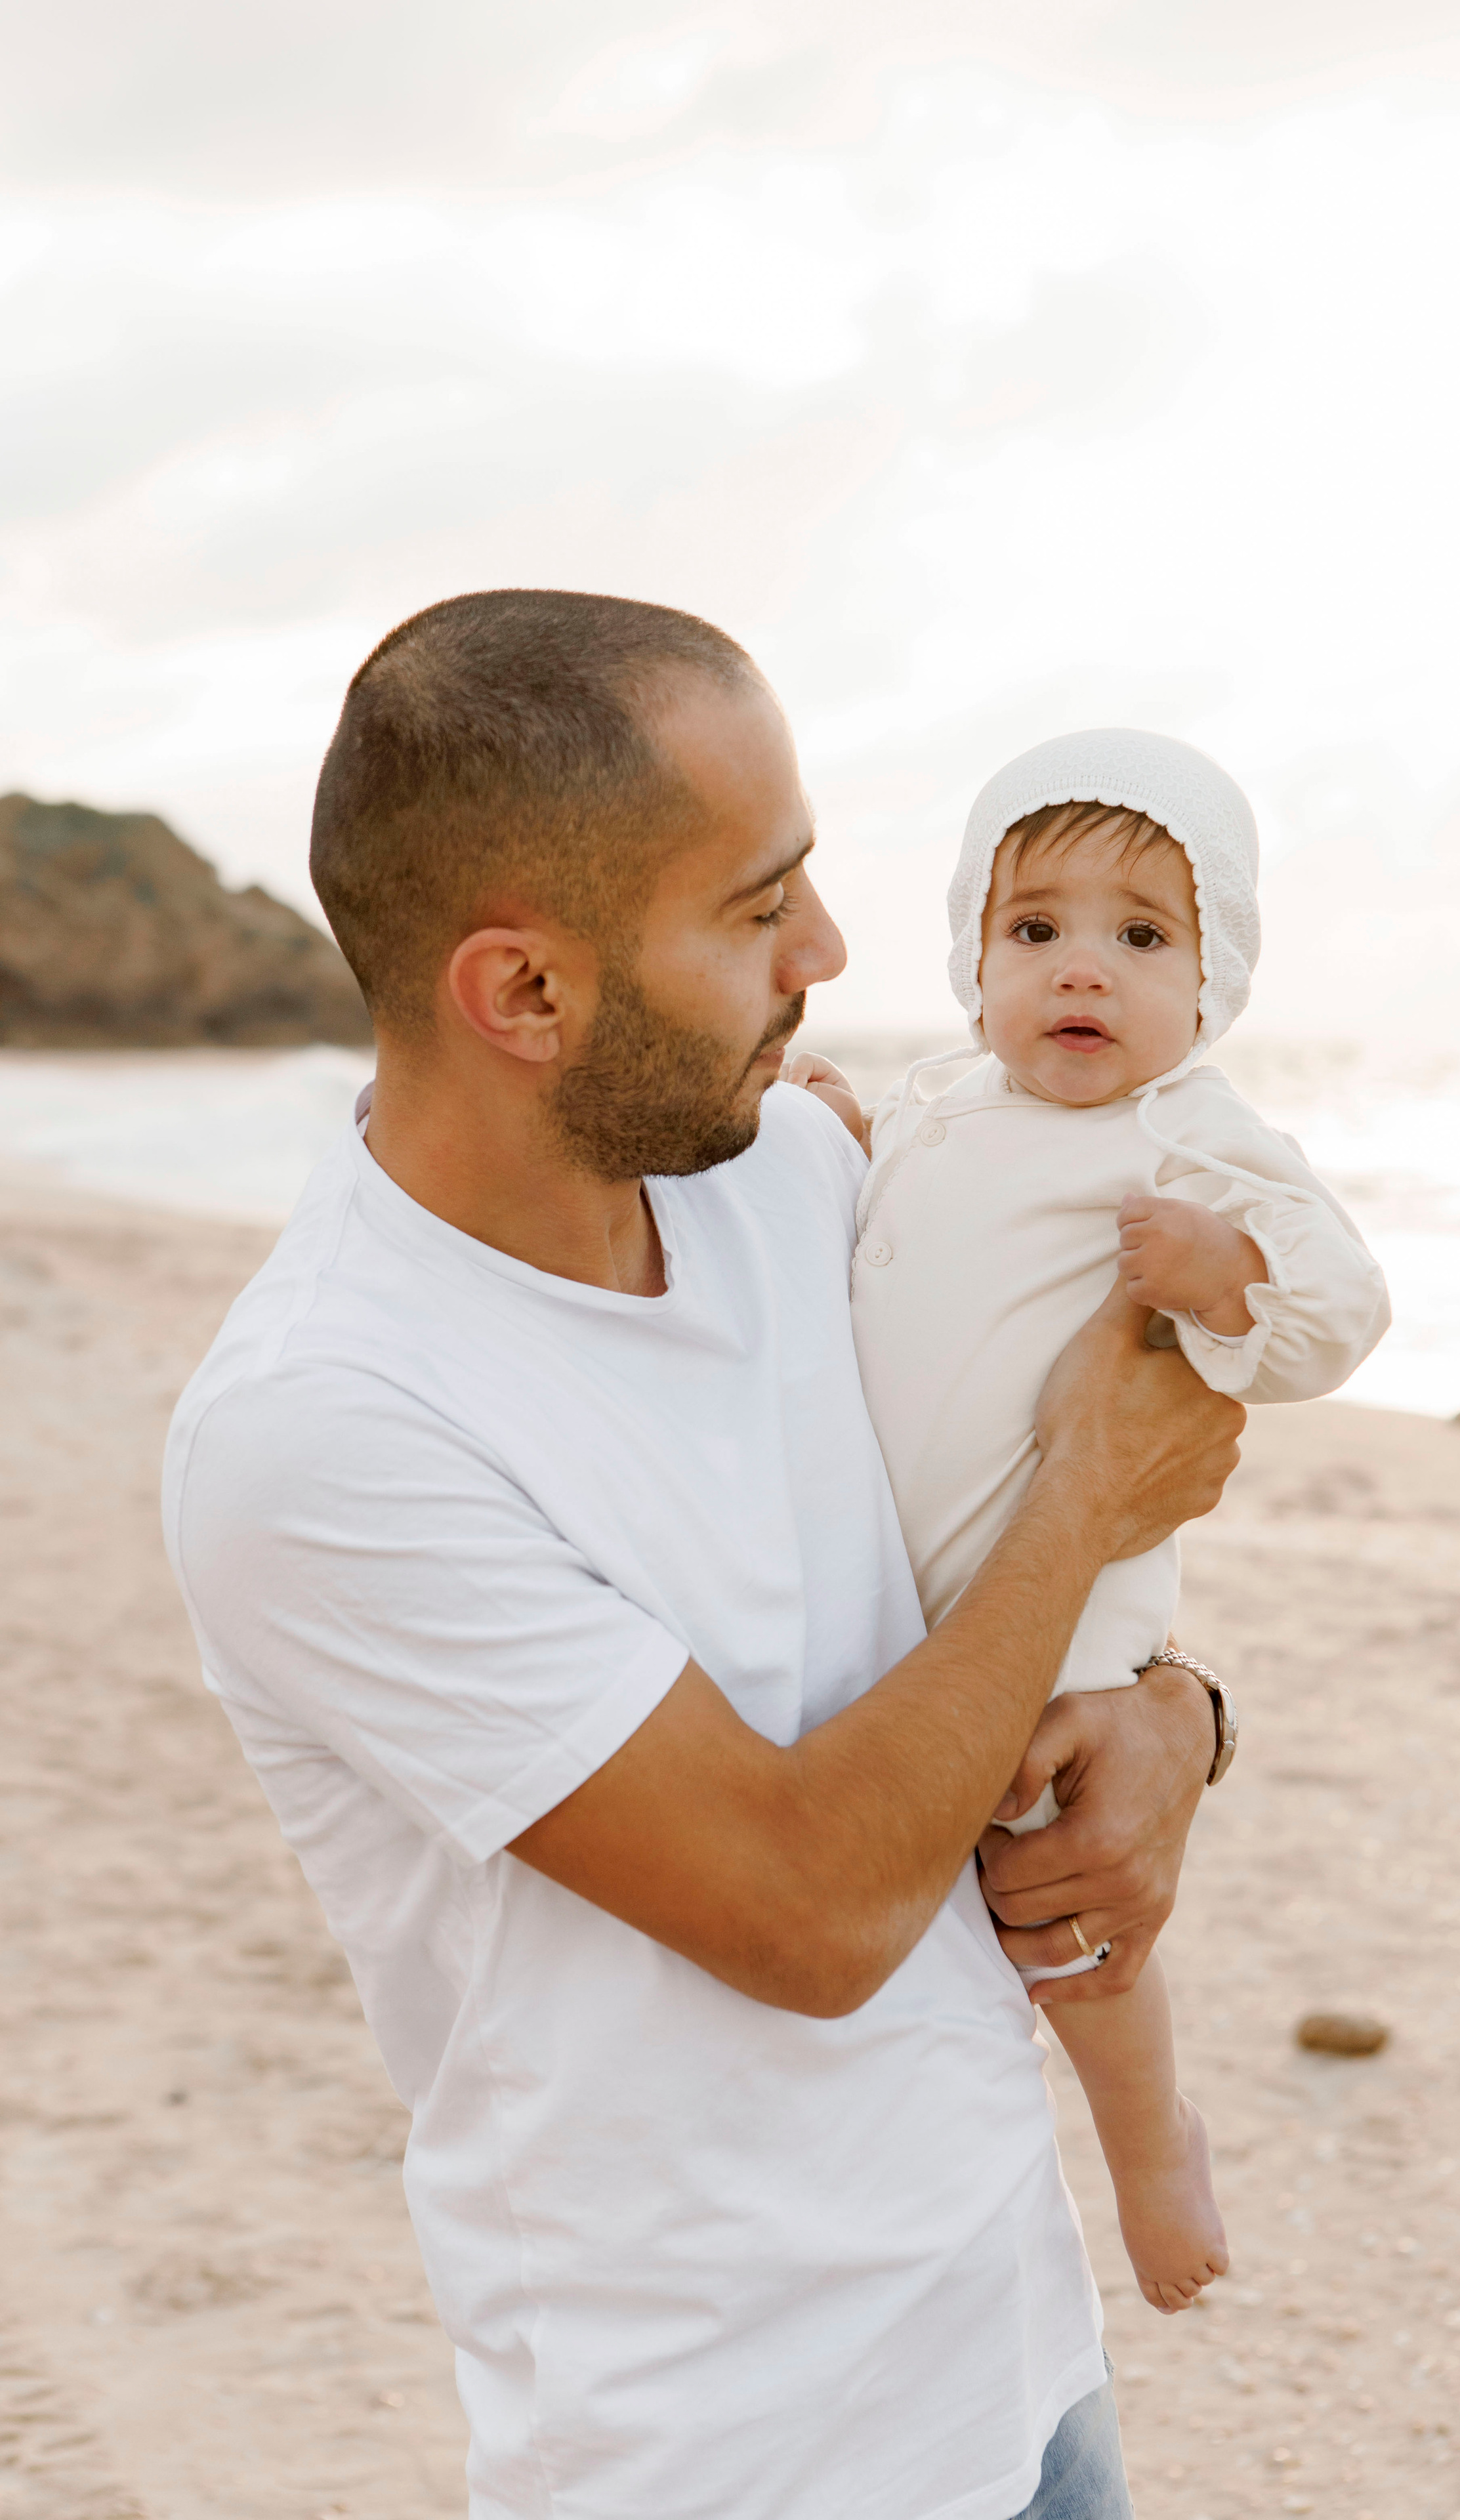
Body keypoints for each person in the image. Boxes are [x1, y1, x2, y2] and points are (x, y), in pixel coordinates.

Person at [161, 592, 1243, 2520]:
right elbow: (808, 1911)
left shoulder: (797, 1179)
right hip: (733, 2454)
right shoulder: (322, 1432)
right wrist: (1093, 1489)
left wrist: (1178, 1712)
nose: (828, 952)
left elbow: (983, 1559)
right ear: (526, 996)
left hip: (1014, 2342)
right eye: (760, 911)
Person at [785, 729, 1390, 2322]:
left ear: (1212, 983)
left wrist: (1216, 1275)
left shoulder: (1192, 1139)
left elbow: (1340, 1312)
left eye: (1141, 937)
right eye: (1033, 929)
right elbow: (884, 1260)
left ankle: (1142, 2146)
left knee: (1063, 1907)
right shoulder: (931, 1111)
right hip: (894, 1599)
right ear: (974, 961)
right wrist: (841, 1141)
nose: (1082, 971)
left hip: (1068, 1611)